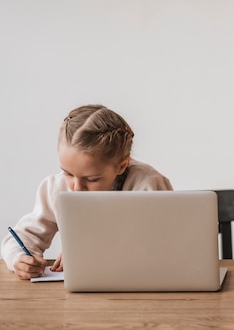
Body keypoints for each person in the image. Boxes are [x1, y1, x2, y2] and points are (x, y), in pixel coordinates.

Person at [1, 104, 173, 279]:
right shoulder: (56, 188)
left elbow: (163, 247)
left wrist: (90, 254)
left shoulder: (148, 185)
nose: (76, 187)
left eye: (92, 179)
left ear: (121, 166)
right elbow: (22, 237)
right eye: (68, 173)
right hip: (78, 296)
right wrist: (19, 258)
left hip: (142, 289)